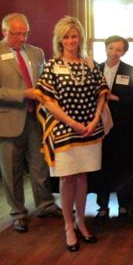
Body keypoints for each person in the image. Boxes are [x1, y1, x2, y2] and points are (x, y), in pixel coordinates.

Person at [0, 13, 61, 235]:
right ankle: (18, 213)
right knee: (11, 170)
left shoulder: (36, 52)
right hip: (6, 119)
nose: (21, 38)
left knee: (40, 166)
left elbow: (45, 82)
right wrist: (24, 94)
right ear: (4, 31)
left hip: (36, 118)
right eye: (16, 34)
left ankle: (46, 205)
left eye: (25, 33)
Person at [35, 16, 108, 252]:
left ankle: (81, 221)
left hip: (89, 129)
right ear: (59, 39)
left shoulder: (89, 63)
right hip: (64, 130)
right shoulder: (52, 65)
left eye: (74, 36)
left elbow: (101, 92)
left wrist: (95, 118)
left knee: (83, 176)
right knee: (67, 178)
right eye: (66, 37)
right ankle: (68, 225)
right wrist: (72, 123)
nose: (70, 40)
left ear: (80, 38)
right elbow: (47, 100)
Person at [93, 35, 133, 221]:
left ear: (123, 52)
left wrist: (115, 98)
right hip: (99, 127)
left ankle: (124, 205)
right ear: (105, 48)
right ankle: (102, 206)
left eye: (118, 49)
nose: (114, 52)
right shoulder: (95, 69)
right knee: (102, 166)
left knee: (124, 166)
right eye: (111, 48)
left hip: (123, 127)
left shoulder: (130, 71)